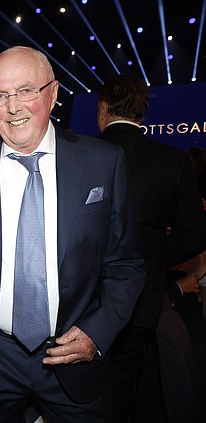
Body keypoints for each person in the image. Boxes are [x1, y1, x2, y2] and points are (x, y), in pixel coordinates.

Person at [0, 46, 145, 423]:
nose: (13, 106)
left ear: (52, 93)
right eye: (0, 96)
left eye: (25, 91)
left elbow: (126, 265)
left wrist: (97, 333)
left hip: (75, 355)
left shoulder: (102, 162)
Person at [97, 72, 206, 422]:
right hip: (142, 298)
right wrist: (152, 257)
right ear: (143, 113)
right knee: (124, 390)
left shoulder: (81, 155)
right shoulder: (173, 162)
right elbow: (193, 237)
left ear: (102, 108)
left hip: (81, 299)